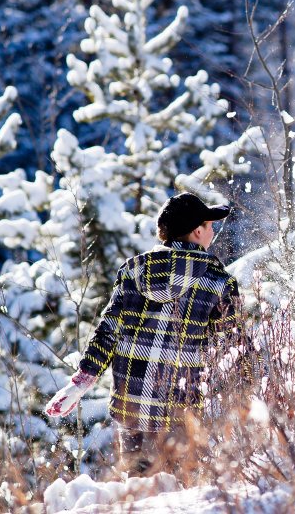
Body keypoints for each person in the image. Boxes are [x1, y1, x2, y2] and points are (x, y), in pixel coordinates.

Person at [44, 192, 241, 475]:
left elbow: (108, 330)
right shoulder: (218, 282)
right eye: (210, 225)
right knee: (179, 496)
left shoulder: (133, 272)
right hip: (182, 411)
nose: (212, 231)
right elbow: (233, 348)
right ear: (197, 231)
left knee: (140, 489)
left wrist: (82, 381)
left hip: (133, 408)